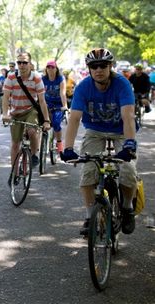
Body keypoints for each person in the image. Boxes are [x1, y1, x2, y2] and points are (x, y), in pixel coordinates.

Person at [61, 48, 138, 236]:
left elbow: (128, 117)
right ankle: (89, 216)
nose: (98, 69)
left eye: (103, 65)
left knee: (128, 171)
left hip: (121, 131)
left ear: (110, 66)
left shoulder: (122, 84)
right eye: (94, 66)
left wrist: (129, 143)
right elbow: (74, 118)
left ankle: (127, 208)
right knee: (88, 172)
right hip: (95, 130)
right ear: (88, 68)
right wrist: (68, 147)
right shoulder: (83, 87)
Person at [2, 52, 51, 173]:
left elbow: (42, 101)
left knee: (32, 130)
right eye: (19, 62)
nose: (22, 65)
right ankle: (14, 172)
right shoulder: (11, 77)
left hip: (31, 110)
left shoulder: (36, 78)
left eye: (24, 62)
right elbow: (5, 97)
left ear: (30, 64)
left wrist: (46, 120)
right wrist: (5, 113)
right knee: (15, 144)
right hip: (16, 112)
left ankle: (34, 155)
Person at [41, 60, 68, 153]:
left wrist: (64, 106)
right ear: (46, 69)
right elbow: (40, 92)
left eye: (53, 67)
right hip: (46, 103)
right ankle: (41, 142)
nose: (50, 69)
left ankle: (59, 143)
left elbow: (62, 93)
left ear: (56, 69)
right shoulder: (43, 79)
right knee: (42, 122)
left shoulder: (60, 79)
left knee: (56, 124)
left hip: (58, 105)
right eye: (48, 67)